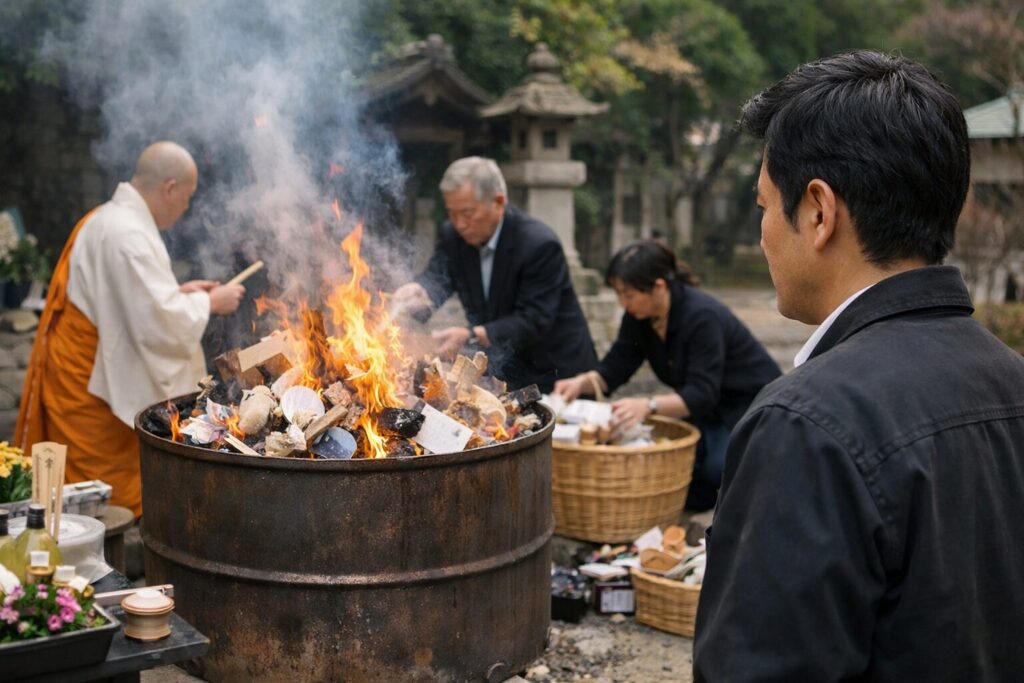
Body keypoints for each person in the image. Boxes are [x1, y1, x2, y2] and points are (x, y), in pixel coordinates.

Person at [694, 51, 1024, 681]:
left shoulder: (805, 424)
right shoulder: (1013, 378)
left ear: (819, 211)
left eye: (764, 206)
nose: (763, 233)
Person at [15, 141, 244, 516]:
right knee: (96, 501)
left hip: (89, 368)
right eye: (187, 197)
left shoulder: (110, 218)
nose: (186, 207)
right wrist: (209, 303)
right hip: (90, 388)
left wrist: (178, 293)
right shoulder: (127, 234)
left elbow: (131, 300)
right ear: (169, 188)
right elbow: (155, 323)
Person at [553, 240, 780, 510]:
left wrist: (647, 405)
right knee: (679, 469)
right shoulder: (639, 317)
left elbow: (701, 393)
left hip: (749, 406)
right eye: (618, 294)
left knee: (714, 469)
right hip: (707, 408)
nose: (623, 303)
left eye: (629, 294)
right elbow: (616, 366)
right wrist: (582, 383)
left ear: (659, 287)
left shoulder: (701, 317)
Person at [392, 156, 597, 392]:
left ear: (498, 202)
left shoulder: (538, 244)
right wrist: (417, 293)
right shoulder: (453, 237)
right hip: (503, 371)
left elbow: (534, 319)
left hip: (556, 373)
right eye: (452, 213)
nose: (459, 223)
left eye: (467, 213)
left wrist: (470, 335)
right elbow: (436, 279)